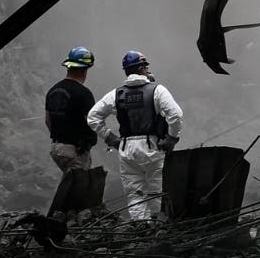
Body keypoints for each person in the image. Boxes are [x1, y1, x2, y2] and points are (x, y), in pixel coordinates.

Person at [87, 51, 183, 221]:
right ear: (141, 68)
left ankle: (141, 227)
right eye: (146, 66)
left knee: (135, 193)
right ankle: (157, 227)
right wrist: (172, 138)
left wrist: (110, 138)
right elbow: (175, 115)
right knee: (156, 191)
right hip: (153, 147)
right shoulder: (157, 91)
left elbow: (93, 117)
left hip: (126, 149)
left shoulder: (116, 94)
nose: (147, 69)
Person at [45, 46, 98, 174]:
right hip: (74, 151)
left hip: (56, 148)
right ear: (84, 70)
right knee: (80, 189)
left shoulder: (52, 91)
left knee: (71, 184)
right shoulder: (84, 93)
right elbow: (93, 123)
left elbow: (48, 121)